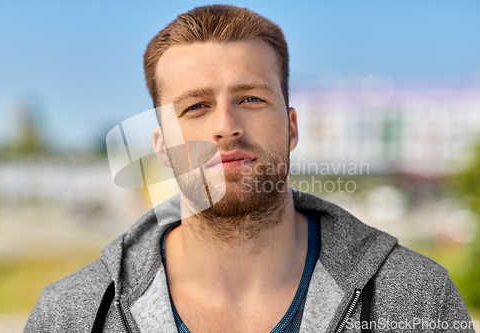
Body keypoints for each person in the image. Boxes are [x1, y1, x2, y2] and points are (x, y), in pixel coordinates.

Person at [24, 5, 474, 333]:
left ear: (292, 127)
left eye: (251, 99)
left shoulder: (418, 298)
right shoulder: (71, 315)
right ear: (161, 146)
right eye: (196, 106)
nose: (225, 127)